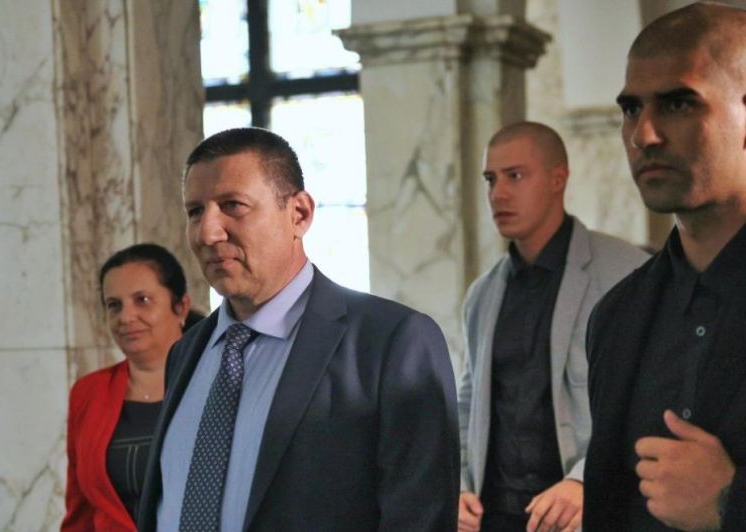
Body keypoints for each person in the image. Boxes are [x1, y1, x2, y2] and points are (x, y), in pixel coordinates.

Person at [137, 127, 459, 531]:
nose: (208, 233)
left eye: (233, 205)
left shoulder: (391, 343)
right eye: (195, 212)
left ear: (299, 214)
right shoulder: (186, 353)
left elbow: (419, 518)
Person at [583, 3, 746, 530]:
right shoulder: (616, 315)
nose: (644, 135)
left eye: (678, 104)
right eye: (632, 109)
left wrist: (729, 503)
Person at [457, 122, 647, 531]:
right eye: (491, 179)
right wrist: (457, 484)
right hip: (495, 517)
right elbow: (468, 402)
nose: (498, 194)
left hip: (582, 513)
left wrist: (584, 480)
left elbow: (646, 399)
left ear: (558, 179)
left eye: (515, 176)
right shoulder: (482, 293)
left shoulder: (627, 273)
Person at [62, 243, 192, 531]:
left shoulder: (214, 381)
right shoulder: (88, 392)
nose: (126, 317)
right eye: (114, 305)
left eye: (142, 300)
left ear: (181, 306)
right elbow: (80, 510)